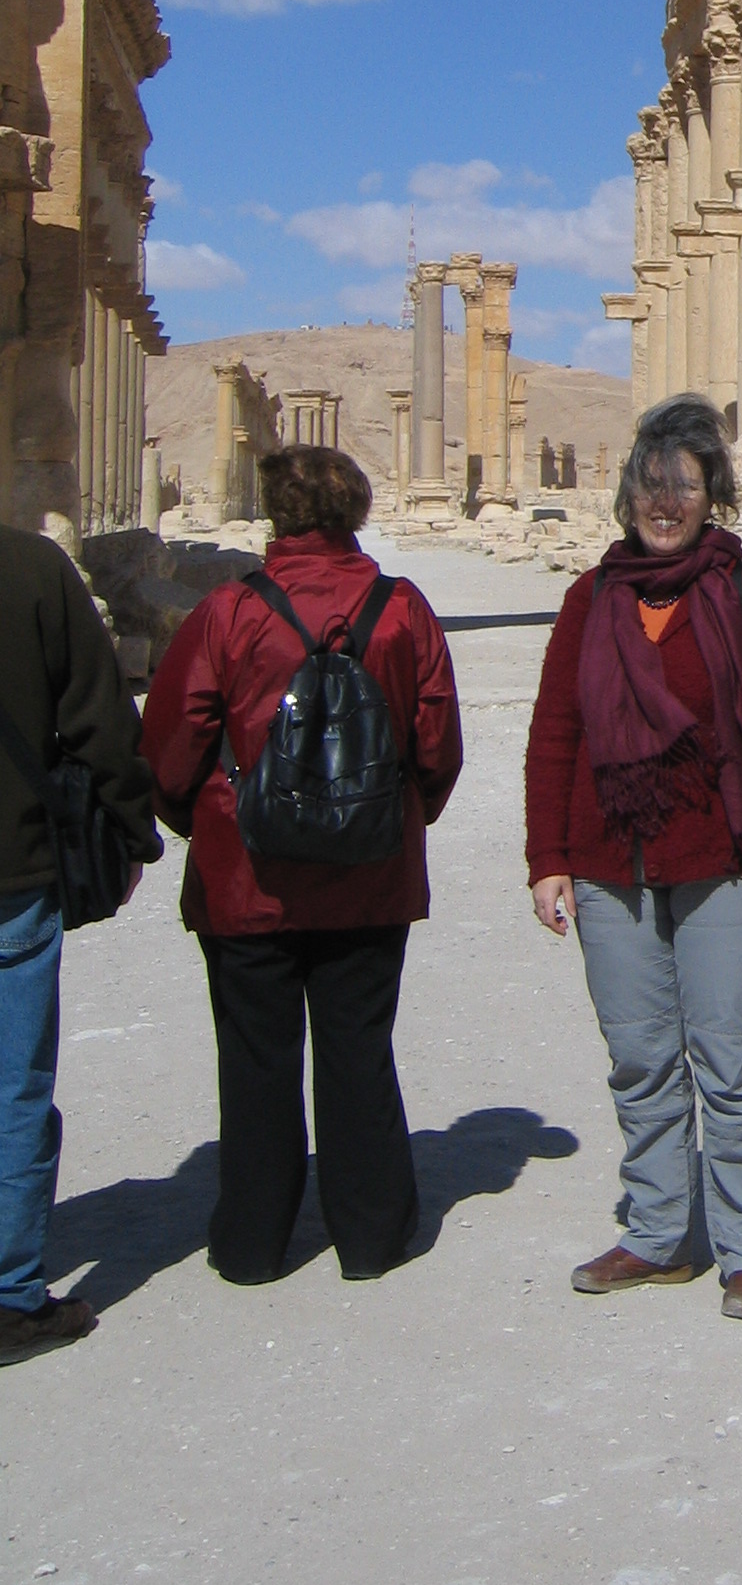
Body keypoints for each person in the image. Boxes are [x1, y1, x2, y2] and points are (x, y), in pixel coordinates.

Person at [525, 393, 742, 1321]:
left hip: (722, 861)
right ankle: (657, 1236)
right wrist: (547, 857)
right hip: (609, 864)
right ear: (628, 495)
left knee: (734, 1059)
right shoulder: (592, 598)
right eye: (652, 486)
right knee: (641, 1061)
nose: (665, 503)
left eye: (684, 486)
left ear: (711, 495)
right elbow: (555, 732)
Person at [142, 445, 462, 1285]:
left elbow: (172, 740)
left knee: (256, 1059)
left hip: (247, 876)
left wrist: (201, 820)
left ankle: (252, 1245)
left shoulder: (229, 610)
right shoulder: (401, 609)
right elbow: (436, 743)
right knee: (359, 1051)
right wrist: (399, 815)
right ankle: (371, 1237)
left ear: (276, 512)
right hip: (370, 873)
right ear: (356, 510)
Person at [0, 526, 160, 1364]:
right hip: (14, 873)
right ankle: (9, 1298)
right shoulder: (32, 567)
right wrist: (133, 832)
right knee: (14, 1092)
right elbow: (99, 715)